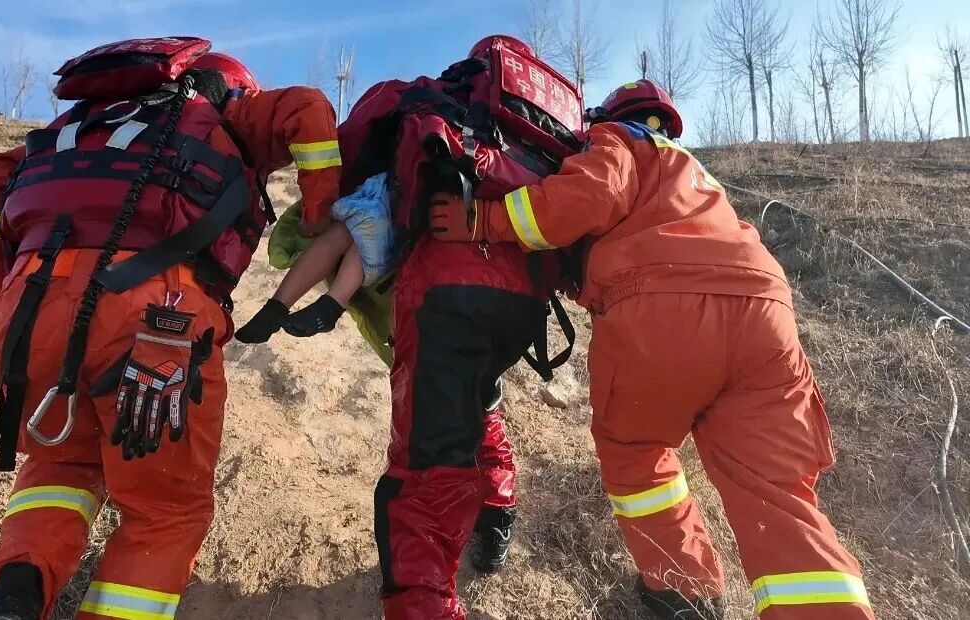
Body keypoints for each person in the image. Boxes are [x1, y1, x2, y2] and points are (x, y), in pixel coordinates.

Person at [428, 79, 874, 620]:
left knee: (636, 451)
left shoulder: (617, 140)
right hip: (766, 316)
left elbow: (587, 196)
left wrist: (484, 220)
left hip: (663, 310)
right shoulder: (694, 171)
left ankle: (682, 590)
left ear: (609, 117)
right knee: (778, 493)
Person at [0, 39, 341, 620]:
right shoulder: (227, 112)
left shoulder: (76, 129)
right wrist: (318, 215)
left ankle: (14, 592)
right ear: (229, 87)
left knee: (59, 467)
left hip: (27, 315)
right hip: (158, 315)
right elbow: (306, 106)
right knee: (165, 510)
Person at [339, 35, 584, 619]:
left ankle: (425, 603)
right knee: (481, 397)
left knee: (427, 466)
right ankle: (496, 513)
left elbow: (356, 136)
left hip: (446, 289)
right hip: (524, 303)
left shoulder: (437, 92)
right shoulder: (554, 133)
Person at [234, 173, 394, 343]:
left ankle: (330, 307)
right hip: (393, 184)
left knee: (368, 231)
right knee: (343, 229)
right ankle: (273, 310)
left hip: (403, 207)